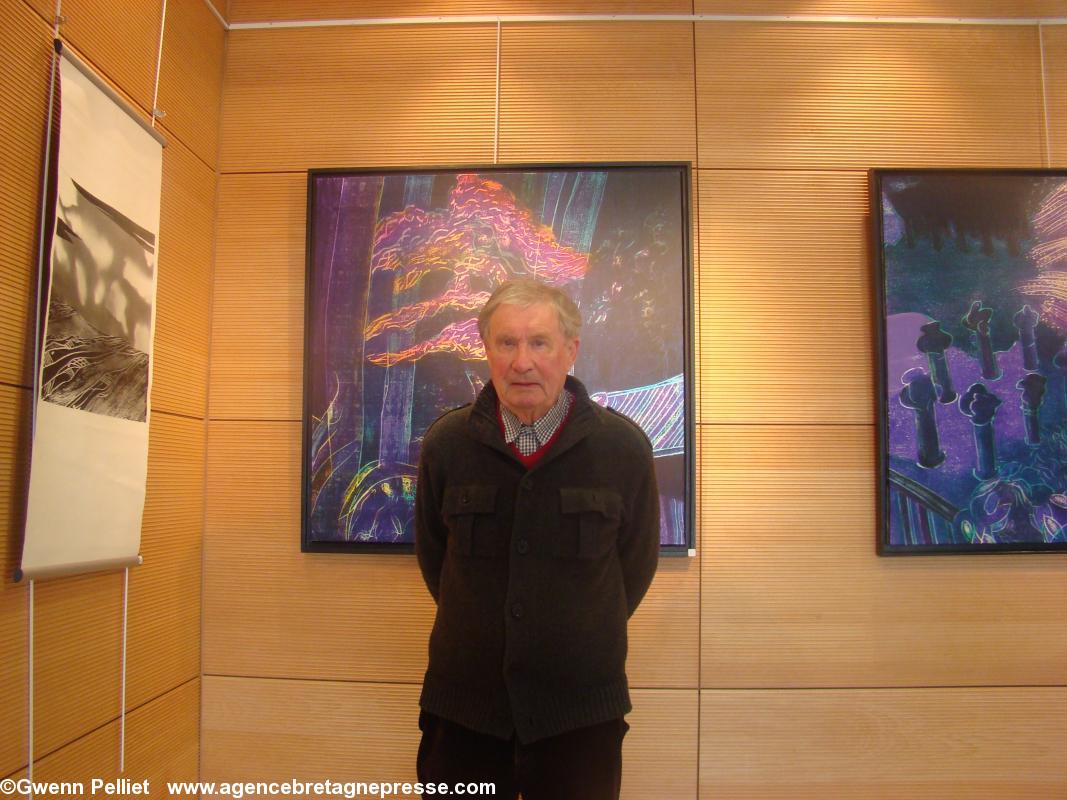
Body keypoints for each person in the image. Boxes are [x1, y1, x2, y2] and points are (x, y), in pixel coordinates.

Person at [414, 278, 660, 800]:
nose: (521, 361)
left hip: (580, 720)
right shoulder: (447, 444)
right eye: (506, 343)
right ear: (486, 350)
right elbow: (437, 561)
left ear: (571, 350)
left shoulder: (623, 448)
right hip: (464, 717)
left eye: (539, 343)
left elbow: (632, 569)